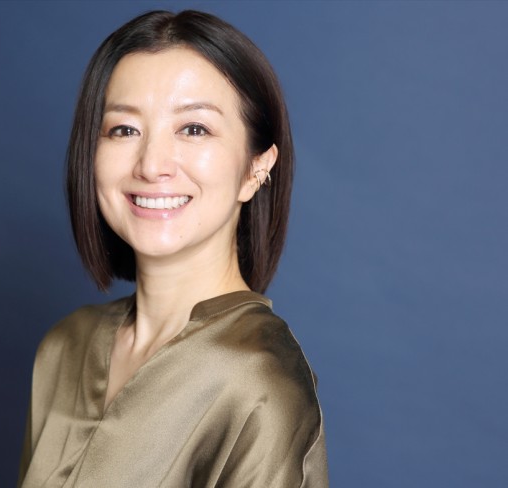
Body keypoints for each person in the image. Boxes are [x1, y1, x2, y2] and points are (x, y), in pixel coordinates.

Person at [17, 9, 328, 488]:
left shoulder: (260, 380)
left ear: (256, 169)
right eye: (124, 129)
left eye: (194, 128)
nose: (151, 164)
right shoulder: (65, 348)